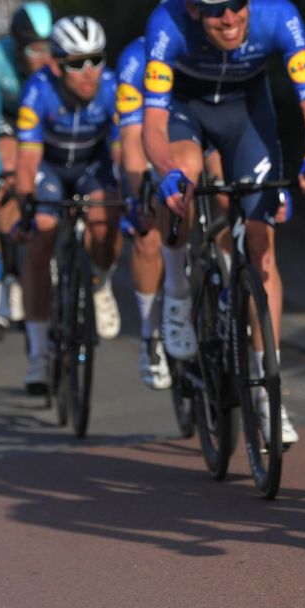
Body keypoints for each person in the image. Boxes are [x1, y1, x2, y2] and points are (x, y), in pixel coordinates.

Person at [141, 0, 305, 445]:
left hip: (247, 114)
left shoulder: (279, 16)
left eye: (237, 3)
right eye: (215, 10)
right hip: (186, 112)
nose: (229, 18)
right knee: (184, 174)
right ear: (192, 9)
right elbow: (154, 125)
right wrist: (165, 171)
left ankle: (270, 390)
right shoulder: (165, 24)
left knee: (262, 247)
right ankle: (177, 296)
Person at [13, 15, 121, 394]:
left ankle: (100, 279)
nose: (89, 72)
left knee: (105, 221)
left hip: (92, 166)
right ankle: (38, 354)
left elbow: (122, 151)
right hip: (50, 168)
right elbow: (27, 160)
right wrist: (27, 205)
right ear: (57, 65)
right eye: (77, 63)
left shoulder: (113, 88)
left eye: (96, 59)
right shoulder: (37, 90)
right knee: (42, 235)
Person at [0, 2, 54, 330]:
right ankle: (11, 272)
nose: (45, 57)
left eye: (49, 47)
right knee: (9, 169)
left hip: (47, 117)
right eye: (35, 50)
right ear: (18, 48)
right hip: (10, 122)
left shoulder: (57, 55)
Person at [114, 35, 171, 389]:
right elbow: (132, 139)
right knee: (148, 235)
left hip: (192, 139)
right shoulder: (136, 59)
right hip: (149, 145)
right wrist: (139, 196)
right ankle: (151, 335)